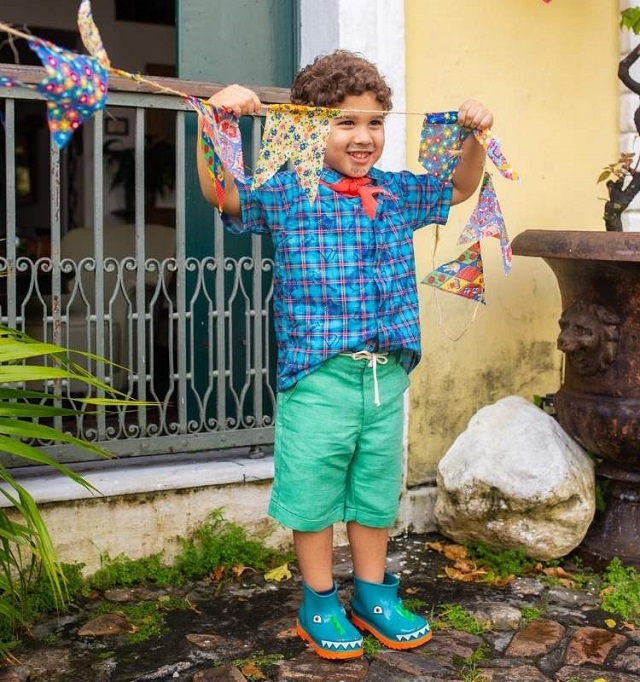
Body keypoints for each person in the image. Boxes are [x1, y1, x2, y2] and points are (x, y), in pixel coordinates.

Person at [197, 50, 492, 660]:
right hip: (318, 376)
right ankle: (320, 597)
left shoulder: (398, 193)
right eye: (345, 122)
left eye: (375, 122)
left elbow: (461, 187)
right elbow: (223, 195)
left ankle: (374, 592)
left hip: (386, 377)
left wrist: (475, 134)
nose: (364, 137)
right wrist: (217, 125)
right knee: (313, 494)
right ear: (308, 126)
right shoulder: (286, 192)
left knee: (374, 493)